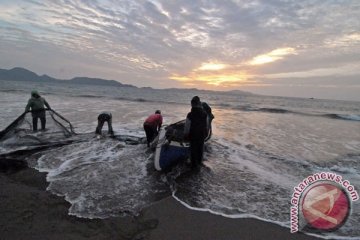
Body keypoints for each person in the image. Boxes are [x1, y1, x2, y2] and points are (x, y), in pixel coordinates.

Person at [184, 96, 208, 169]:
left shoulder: (190, 114)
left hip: (193, 134)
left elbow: (187, 126)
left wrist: (185, 135)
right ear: (199, 103)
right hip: (202, 134)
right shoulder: (204, 113)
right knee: (200, 148)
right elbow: (206, 125)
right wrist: (206, 133)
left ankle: (194, 165)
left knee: (193, 149)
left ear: (192, 104)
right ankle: (199, 163)